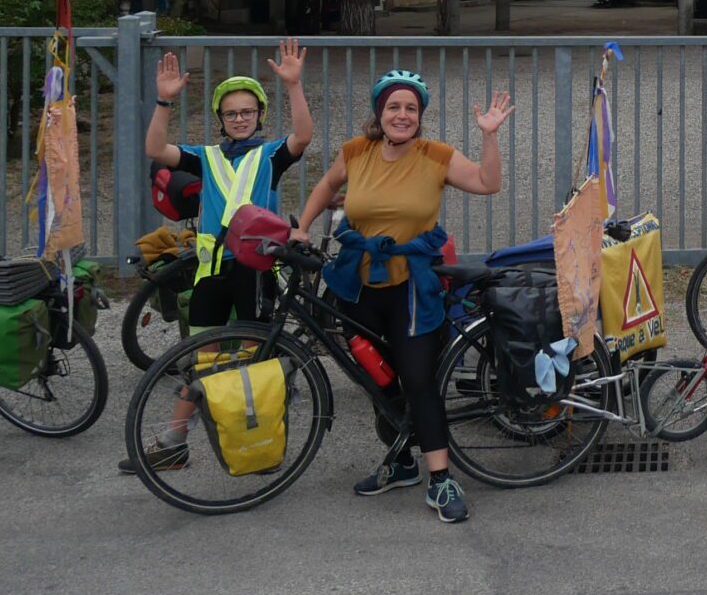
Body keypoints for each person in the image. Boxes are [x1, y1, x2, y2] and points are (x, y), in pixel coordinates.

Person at [295, 69, 515, 526]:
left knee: (417, 379)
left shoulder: (435, 156)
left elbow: (487, 183)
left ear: (420, 117)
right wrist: (302, 226)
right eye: (394, 106)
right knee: (376, 379)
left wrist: (489, 138)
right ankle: (401, 461)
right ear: (380, 113)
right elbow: (326, 186)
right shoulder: (357, 152)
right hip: (359, 283)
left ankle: (440, 479)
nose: (402, 115)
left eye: (410, 108)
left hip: (413, 286)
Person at [123, 42, 315, 474]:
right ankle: (174, 443)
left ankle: (262, 444)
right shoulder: (205, 157)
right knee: (202, 356)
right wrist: (164, 100)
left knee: (255, 361)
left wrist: (294, 85)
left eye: (248, 111)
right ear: (221, 120)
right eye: (232, 113)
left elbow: (303, 136)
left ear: (260, 115)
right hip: (212, 271)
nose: (241, 118)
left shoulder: (270, 155)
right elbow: (156, 148)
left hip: (257, 270)